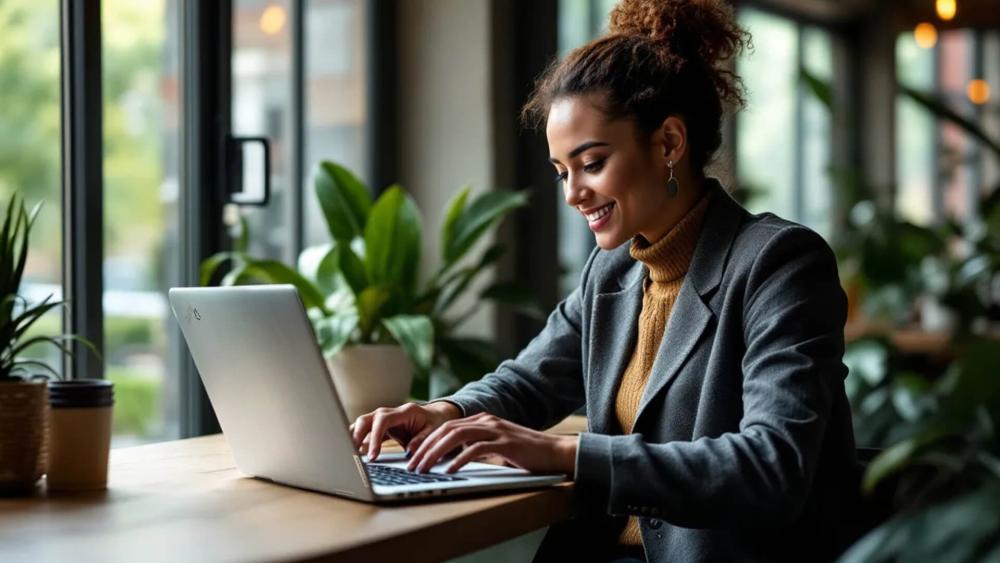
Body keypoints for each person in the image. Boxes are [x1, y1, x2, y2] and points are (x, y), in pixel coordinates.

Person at [350, 0, 858, 560]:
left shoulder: (779, 263)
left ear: (669, 143)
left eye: (591, 163)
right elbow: (531, 380)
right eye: (562, 172)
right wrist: (446, 412)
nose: (573, 194)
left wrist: (567, 454)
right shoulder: (613, 269)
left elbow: (771, 466)